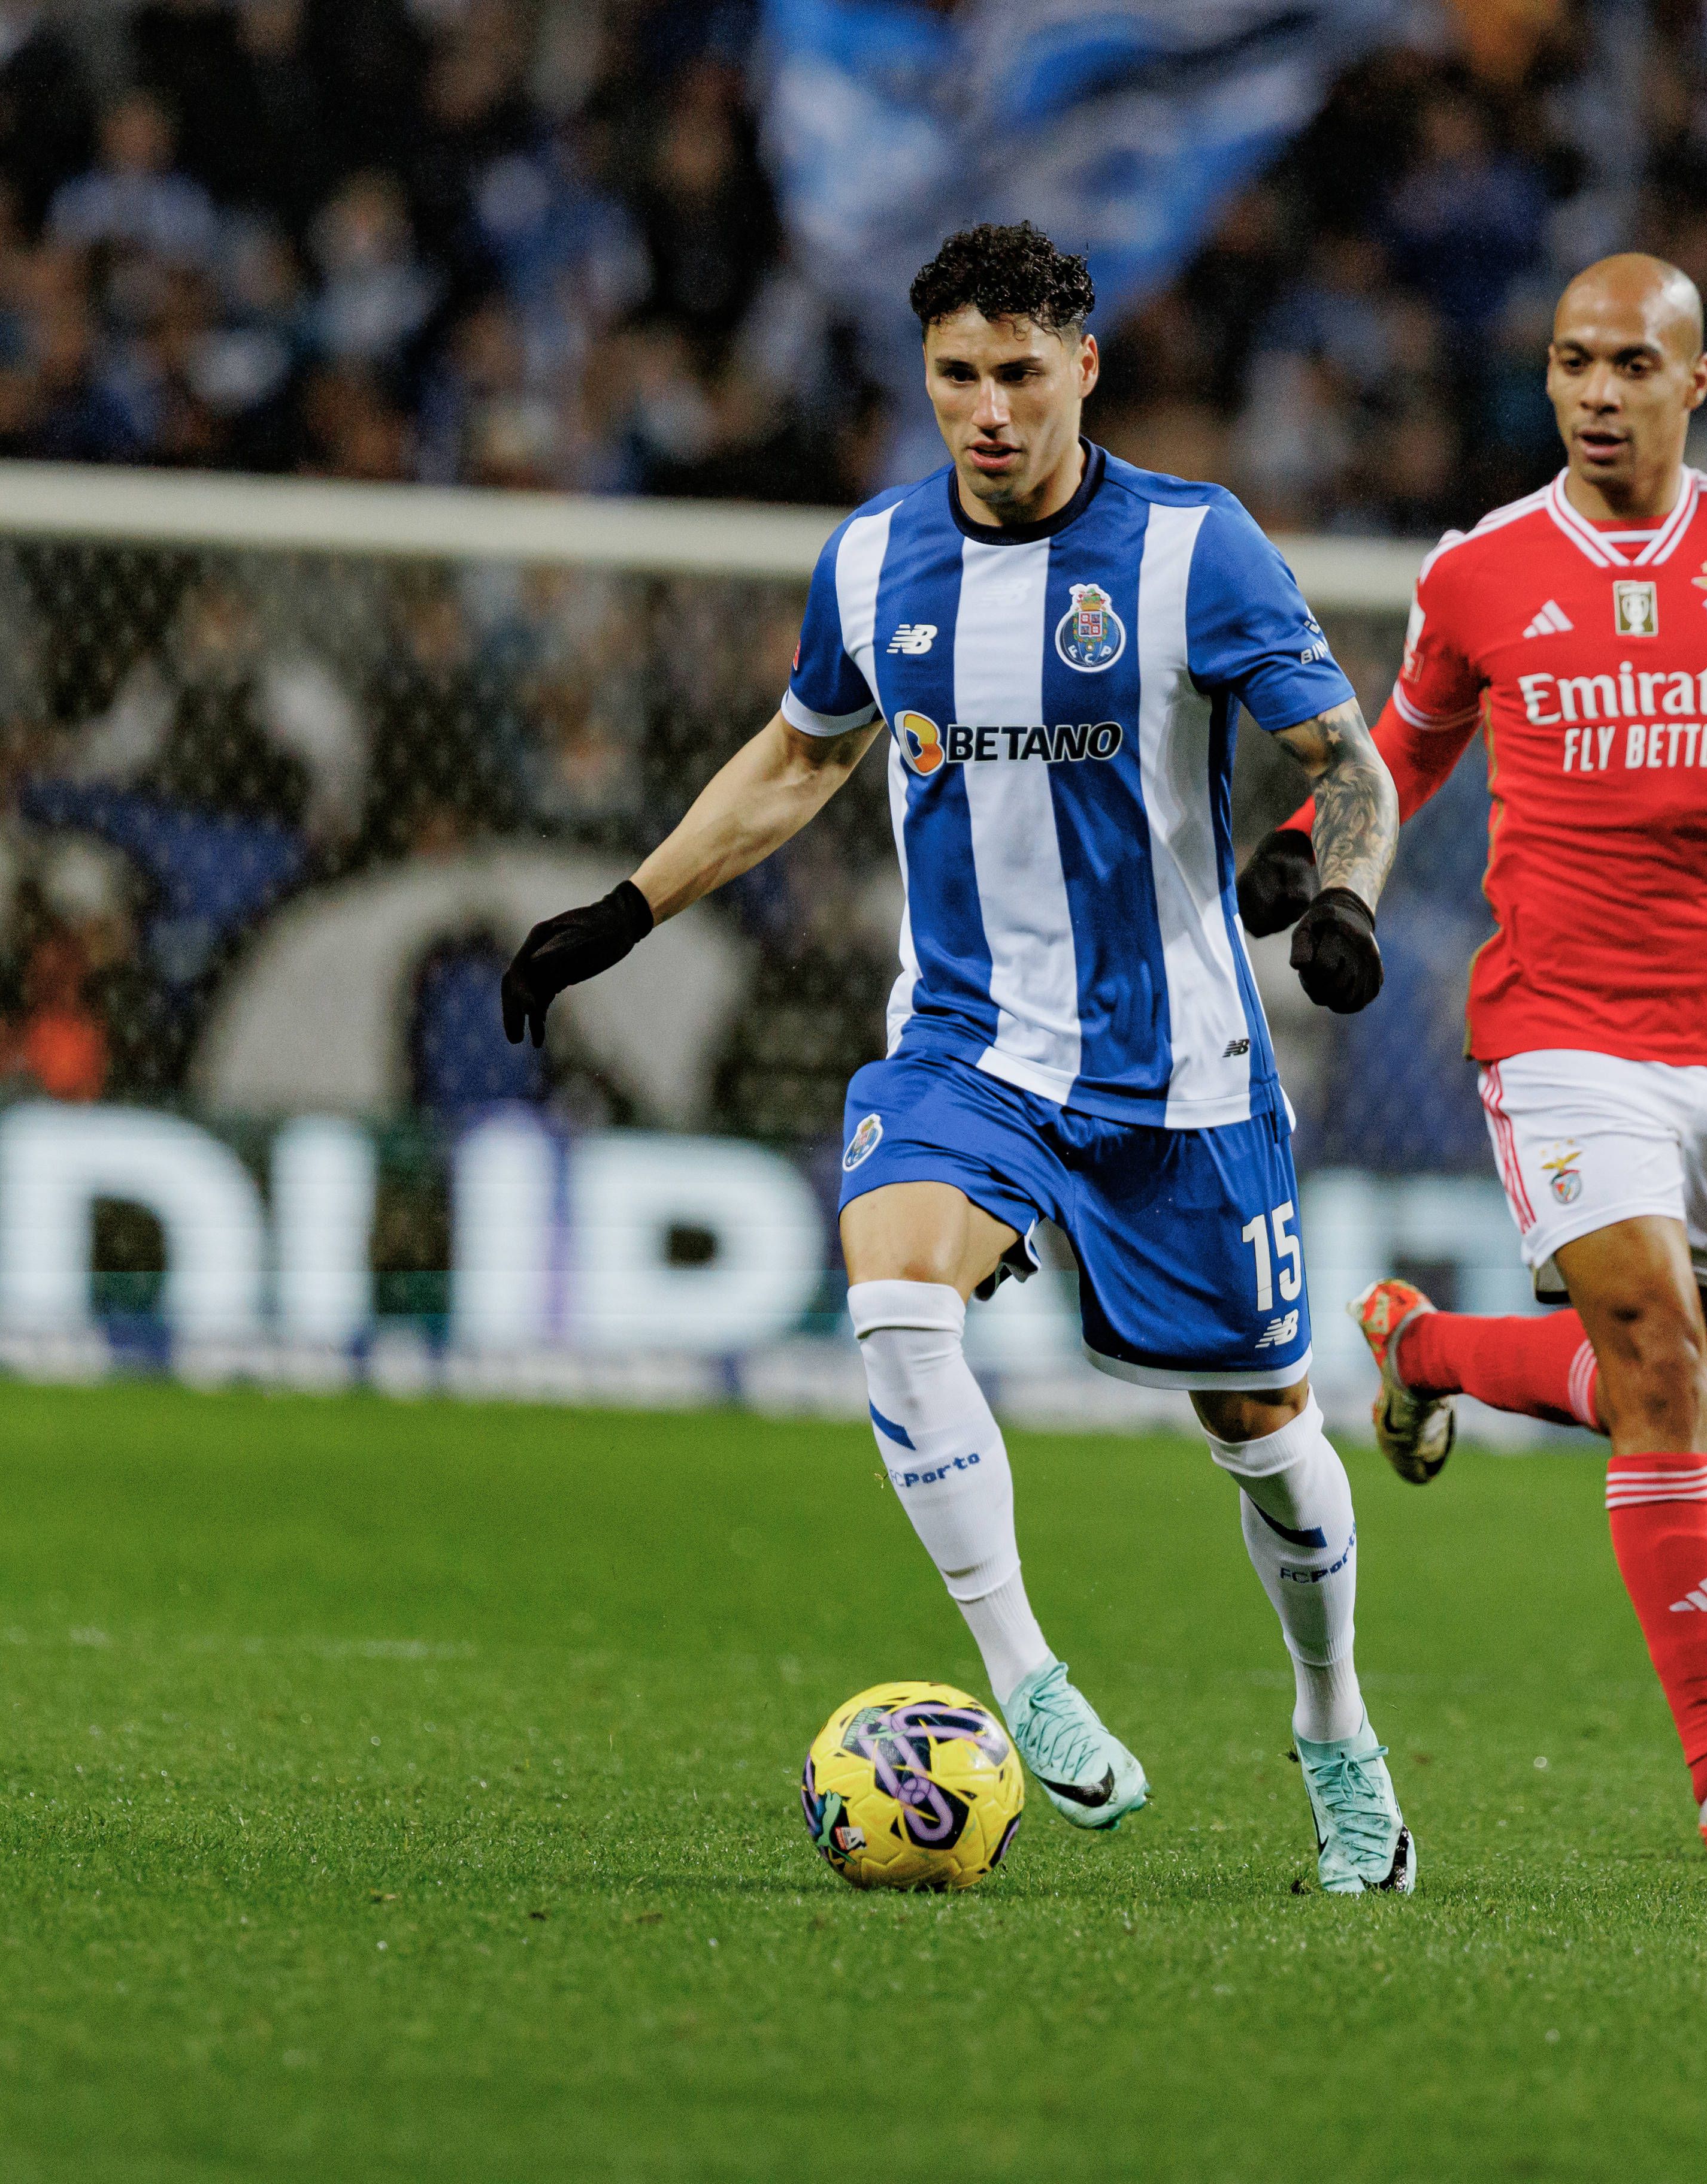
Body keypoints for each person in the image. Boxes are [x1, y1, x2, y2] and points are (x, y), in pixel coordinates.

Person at [499, 223, 1419, 1893]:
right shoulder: (872, 563)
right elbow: (799, 756)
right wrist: (625, 908)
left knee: (1263, 1419)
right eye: (954, 376)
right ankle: (1029, 1679)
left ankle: (1336, 1727)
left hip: (1182, 1072)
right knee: (893, 1288)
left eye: (1017, 373)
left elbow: (1347, 768)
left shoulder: (1195, 551)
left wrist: (1341, 895)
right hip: (968, 1046)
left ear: (1083, 368)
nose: (986, 409)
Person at [1240, 255, 1707, 1858]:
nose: (1593, 389)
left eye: (1630, 363)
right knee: (1655, 1364)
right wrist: (1316, 848)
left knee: (1672, 1403)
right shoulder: (1486, 569)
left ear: (1692, 382)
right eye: (1572, 359)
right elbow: (1411, 740)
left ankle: (1425, 1350)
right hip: (1562, 1023)